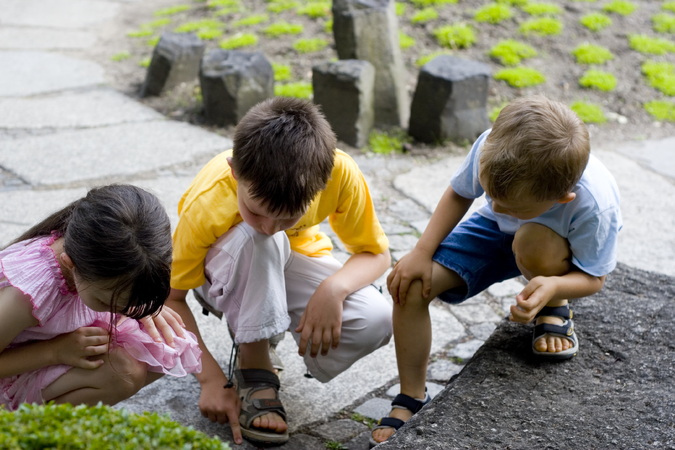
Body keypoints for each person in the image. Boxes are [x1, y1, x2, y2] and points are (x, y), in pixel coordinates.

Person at [370, 95, 622, 446]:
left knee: (532, 240)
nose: (497, 206)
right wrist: (422, 251)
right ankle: (411, 396)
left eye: (511, 206)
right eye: (491, 196)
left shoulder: (595, 205)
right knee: (412, 286)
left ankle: (553, 308)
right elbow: (460, 193)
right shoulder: (495, 145)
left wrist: (552, 287)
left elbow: (594, 277)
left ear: (562, 198)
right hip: (491, 231)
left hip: (549, 248)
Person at [166, 97, 393, 446]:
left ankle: (264, 327)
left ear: (323, 183)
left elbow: (376, 254)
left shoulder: (340, 171)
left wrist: (334, 289)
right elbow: (171, 299)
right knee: (258, 240)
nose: (271, 226)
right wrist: (210, 379)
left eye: (288, 218)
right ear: (234, 171)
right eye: (256, 211)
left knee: (376, 319)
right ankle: (255, 369)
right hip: (219, 272)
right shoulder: (210, 200)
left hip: (288, 263)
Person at [0, 184, 202, 411]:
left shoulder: (95, 259)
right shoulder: (29, 292)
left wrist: (140, 305)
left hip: (52, 344)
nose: (122, 309)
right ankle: (29, 424)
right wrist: (53, 352)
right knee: (122, 372)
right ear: (70, 265)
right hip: (15, 366)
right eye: (107, 302)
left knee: (165, 343)